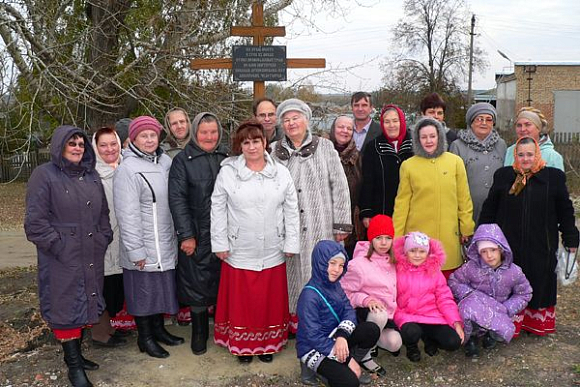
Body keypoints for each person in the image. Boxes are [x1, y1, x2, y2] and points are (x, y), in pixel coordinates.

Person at [25, 125, 112, 387]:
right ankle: (73, 365)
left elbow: (103, 215)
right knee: (66, 308)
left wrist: (102, 237)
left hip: (90, 252)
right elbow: (35, 223)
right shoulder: (44, 175)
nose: (77, 148)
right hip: (61, 257)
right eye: (71, 143)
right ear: (60, 146)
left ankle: (77, 356)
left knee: (86, 302)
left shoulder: (91, 175)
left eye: (81, 144)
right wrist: (59, 246)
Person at [210, 119, 299, 363]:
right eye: (246, 142)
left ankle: (267, 344)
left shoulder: (281, 172)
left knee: (268, 301)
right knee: (244, 301)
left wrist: (291, 242)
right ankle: (242, 345)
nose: (251, 147)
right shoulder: (228, 172)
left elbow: (291, 209)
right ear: (240, 146)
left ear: (264, 142)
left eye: (256, 141)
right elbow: (218, 208)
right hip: (240, 248)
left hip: (272, 247)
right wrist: (220, 243)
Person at [479, 136, 578, 336]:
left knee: (539, 279)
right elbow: (490, 208)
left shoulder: (553, 177)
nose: (526, 159)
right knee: (510, 281)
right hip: (509, 243)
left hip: (542, 242)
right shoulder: (504, 176)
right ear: (515, 156)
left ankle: (535, 324)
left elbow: (566, 211)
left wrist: (571, 237)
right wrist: (483, 235)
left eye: (530, 154)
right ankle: (508, 323)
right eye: (521, 155)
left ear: (537, 154)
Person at [271, 98, 352, 333]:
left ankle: (322, 322)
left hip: (321, 225)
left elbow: (340, 185)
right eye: (286, 120)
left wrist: (341, 225)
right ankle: (297, 322)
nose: (291, 123)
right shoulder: (274, 152)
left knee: (321, 270)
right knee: (292, 273)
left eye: (296, 118)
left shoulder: (324, 147)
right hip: (289, 227)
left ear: (306, 120)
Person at [113, 116, 184, 359]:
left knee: (160, 290)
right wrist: (136, 250)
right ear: (133, 139)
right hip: (142, 242)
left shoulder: (165, 162)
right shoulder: (127, 169)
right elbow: (127, 213)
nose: (149, 140)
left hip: (164, 239)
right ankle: (145, 338)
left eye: (153, 135)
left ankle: (158, 330)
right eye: (144, 136)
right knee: (142, 293)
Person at [168, 112, 229, 354]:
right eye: (204, 132)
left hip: (225, 232)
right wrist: (186, 235)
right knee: (197, 286)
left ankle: (225, 329)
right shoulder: (183, 160)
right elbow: (177, 199)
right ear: (195, 133)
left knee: (224, 282)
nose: (209, 136)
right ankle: (199, 333)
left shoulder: (227, 157)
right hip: (197, 232)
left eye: (213, 131)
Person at [393, 117, 474, 278]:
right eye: (424, 137)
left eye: (432, 136)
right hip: (418, 239)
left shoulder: (455, 162)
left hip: (449, 236)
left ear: (440, 137)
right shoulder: (408, 166)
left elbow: (464, 199)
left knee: (447, 286)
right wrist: (397, 237)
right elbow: (402, 205)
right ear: (417, 140)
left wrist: (466, 228)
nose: (428, 141)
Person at [297, 240, 380, 387]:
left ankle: (343, 366)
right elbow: (313, 337)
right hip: (314, 348)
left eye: (341, 265)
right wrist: (348, 359)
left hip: (335, 337)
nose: (337, 270)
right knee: (350, 383)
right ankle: (322, 368)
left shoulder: (335, 285)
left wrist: (341, 336)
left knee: (371, 330)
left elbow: (348, 311)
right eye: (332, 263)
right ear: (320, 263)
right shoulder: (309, 295)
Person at [448, 223, 532, 357]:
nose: (489, 255)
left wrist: (507, 308)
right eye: (484, 252)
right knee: (466, 309)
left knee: (505, 330)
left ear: (501, 249)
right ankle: (472, 339)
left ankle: (491, 336)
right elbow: (453, 281)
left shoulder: (514, 272)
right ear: (478, 253)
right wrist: (470, 294)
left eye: (493, 250)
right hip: (476, 307)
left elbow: (525, 293)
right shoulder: (471, 267)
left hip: (499, 310)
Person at [340, 215, 402, 377]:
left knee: (395, 344)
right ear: (371, 239)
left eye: (388, 238)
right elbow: (344, 293)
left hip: (388, 317)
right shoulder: (359, 264)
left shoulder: (394, 261)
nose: (383, 243)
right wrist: (365, 300)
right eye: (378, 238)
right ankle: (364, 355)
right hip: (365, 315)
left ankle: (373, 343)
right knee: (379, 314)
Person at [393, 232, 464, 362]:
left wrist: (455, 322)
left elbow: (444, 298)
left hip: (431, 315)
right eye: (412, 251)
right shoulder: (397, 269)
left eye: (422, 251)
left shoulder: (434, 272)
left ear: (428, 253)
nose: (417, 255)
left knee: (453, 342)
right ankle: (411, 346)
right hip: (407, 315)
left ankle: (428, 337)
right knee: (411, 332)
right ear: (405, 251)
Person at [90, 127, 129, 348]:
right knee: (101, 286)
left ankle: (111, 328)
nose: (109, 149)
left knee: (117, 285)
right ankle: (100, 333)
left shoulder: (127, 168)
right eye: (103, 145)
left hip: (125, 238)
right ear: (96, 147)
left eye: (113, 144)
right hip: (103, 240)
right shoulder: (91, 174)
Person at [450, 102, 507, 223]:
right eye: (479, 119)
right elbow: (452, 182)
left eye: (489, 119)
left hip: (496, 211)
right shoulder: (457, 146)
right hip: (468, 212)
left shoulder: (501, 145)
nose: (484, 123)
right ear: (471, 122)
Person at [359, 104, 413, 226]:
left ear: (402, 121)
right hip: (382, 212)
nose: (392, 125)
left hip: (412, 213)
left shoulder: (415, 145)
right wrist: (366, 212)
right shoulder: (373, 147)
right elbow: (368, 181)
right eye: (387, 122)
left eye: (395, 121)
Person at [328, 115, 364, 255]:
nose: (345, 131)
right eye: (341, 127)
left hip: (350, 226)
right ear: (333, 129)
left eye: (349, 128)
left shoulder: (359, 158)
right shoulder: (322, 154)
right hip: (324, 220)